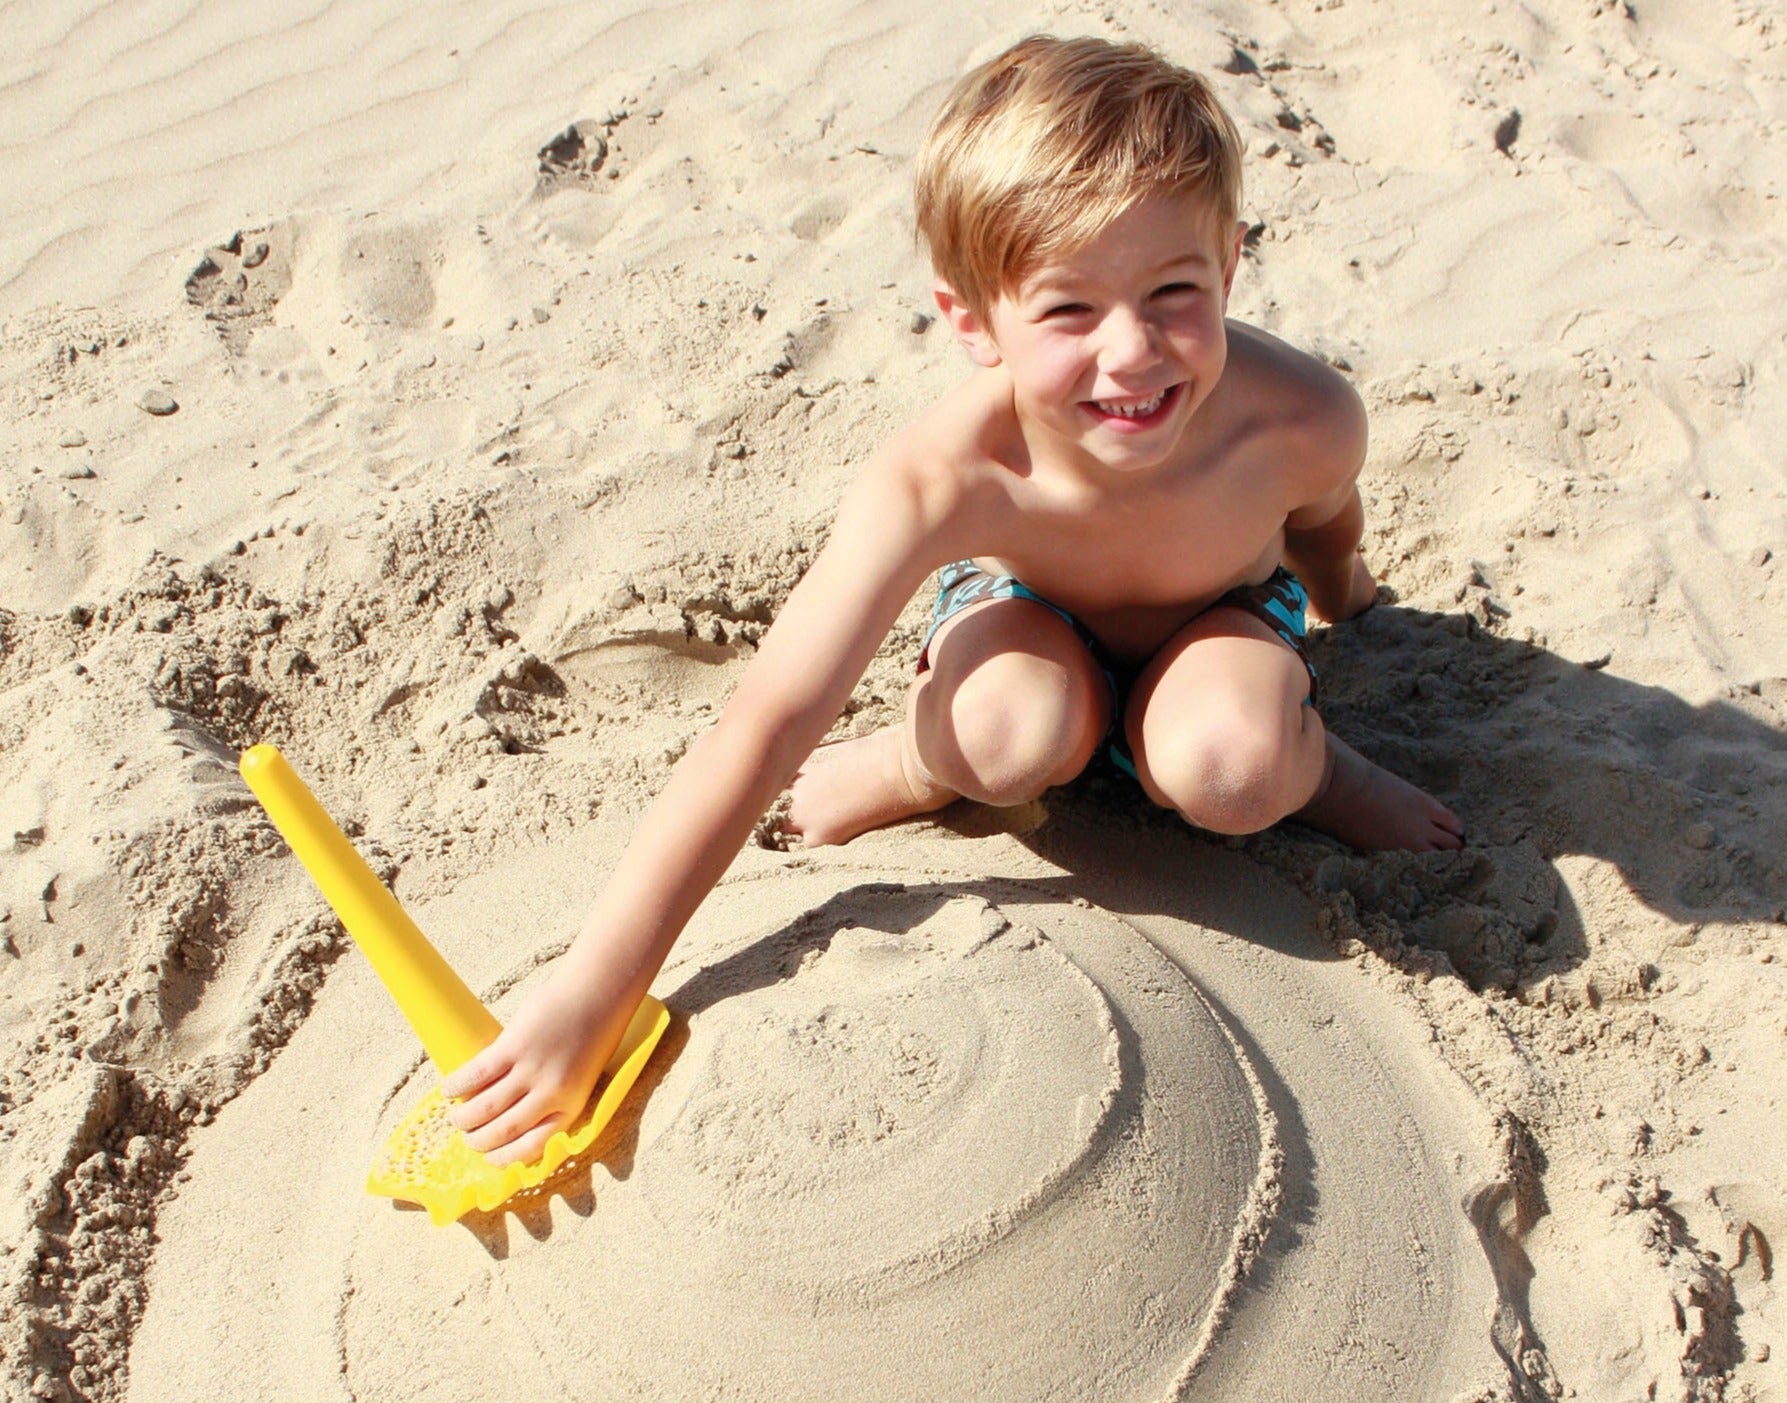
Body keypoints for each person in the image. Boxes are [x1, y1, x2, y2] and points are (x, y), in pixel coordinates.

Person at [448, 33, 1463, 1164]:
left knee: (1233, 768)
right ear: (972, 320)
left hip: (1219, 626)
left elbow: (1326, 523)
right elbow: (772, 711)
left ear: (1228, 262)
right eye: (1067, 311)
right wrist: (596, 988)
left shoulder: (1300, 417)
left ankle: (1326, 768)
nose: (1130, 354)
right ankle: (914, 764)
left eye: (1173, 291)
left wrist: (1352, 599)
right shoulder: (943, 474)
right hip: (1031, 624)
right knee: (1003, 730)